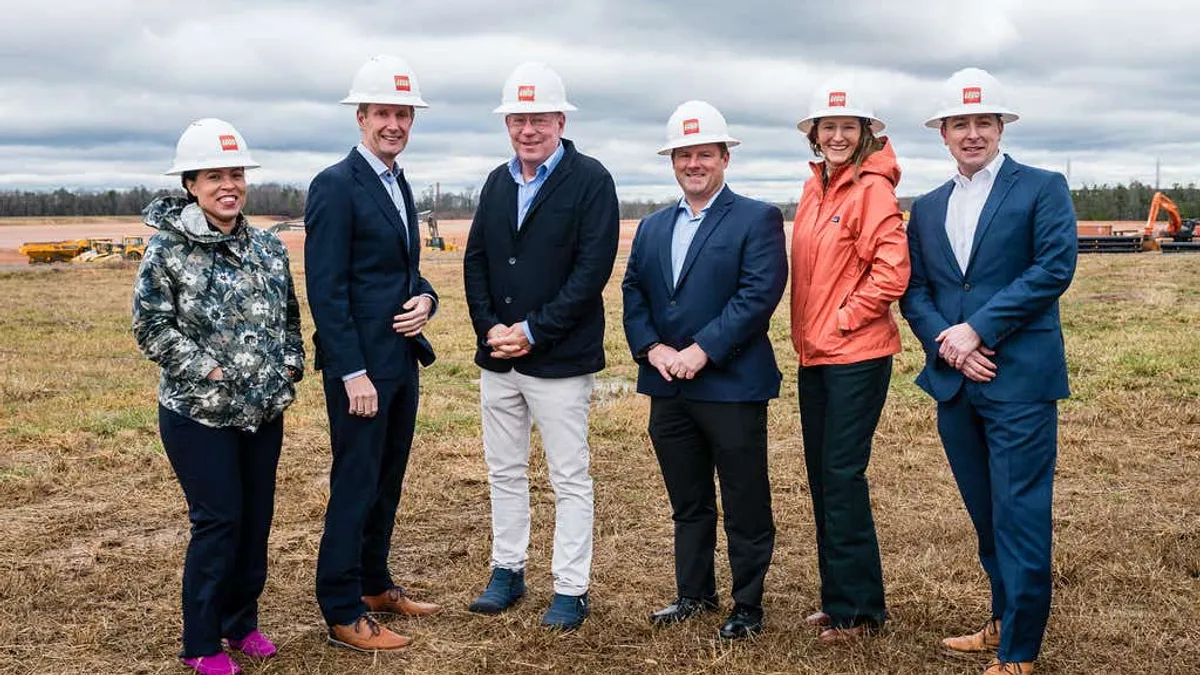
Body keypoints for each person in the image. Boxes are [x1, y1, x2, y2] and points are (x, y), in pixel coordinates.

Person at [899, 67, 1077, 675]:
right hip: (956, 382)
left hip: (1018, 377)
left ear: (1000, 127)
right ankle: (1001, 615)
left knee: (1020, 510)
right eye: (960, 124)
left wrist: (980, 329)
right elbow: (915, 291)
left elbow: (1053, 269)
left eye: (983, 122)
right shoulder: (925, 208)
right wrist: (949, 346)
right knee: (984, 510)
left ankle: (1019, 650)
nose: (972, 133)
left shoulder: (1042, 187)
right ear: (943, 133)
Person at [133, 118, 304, 675]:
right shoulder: (166, 251)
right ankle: (201, 643)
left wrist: (289, 366)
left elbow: (288, 318)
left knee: (255, 520)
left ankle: (241, 624)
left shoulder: (267, 248)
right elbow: (151, 327)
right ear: (190, 184)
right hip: (197, 415)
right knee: (219, 520)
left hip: (262, 411)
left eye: (236, 174)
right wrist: (207, 370)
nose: (228, 185)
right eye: (214, 176)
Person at [462, 61, 619, 631]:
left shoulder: (591, 179)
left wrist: (531, 331)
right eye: (517, 119)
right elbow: (477, 258)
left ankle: (571, 588)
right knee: (504, 470)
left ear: (560, 118)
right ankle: (508, 569)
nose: (527, 129)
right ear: (508, 122)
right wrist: (488, 327)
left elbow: (590, 271)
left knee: (568, 477)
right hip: (497, 358)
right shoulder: (498, 181)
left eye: (538, 118)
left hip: (558, 359)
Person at [622, 101, 787, 640]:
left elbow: (757, 295)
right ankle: (693, 593)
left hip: (732, 385)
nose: (694, 164)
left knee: (743, 499)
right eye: (684, 155)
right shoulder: (651, 227)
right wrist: (653, 350)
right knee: (688, 499)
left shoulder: (756, 218)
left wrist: (701, 351)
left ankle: (747, 605)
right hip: (667, 387)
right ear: (672, 161)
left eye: (704, 154)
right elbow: (634, 293)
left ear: (724, 157)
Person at [305, 54, 441, 653]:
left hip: (400, 362)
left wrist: (427, 300)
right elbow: (326, 287)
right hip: (360, 370)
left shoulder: (396, 181)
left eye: (403, 114)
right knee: (355, 482)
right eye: (383, 112)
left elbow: (401, 272)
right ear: (360, 117)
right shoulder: (336, 185)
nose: (394, 123)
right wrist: (352, 371)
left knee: (387, 479)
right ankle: (340, 607)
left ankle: (373, 583)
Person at [788, 77, 910, 643]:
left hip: (855, 355)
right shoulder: (818, 187)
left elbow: (892, 272)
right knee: (823, 477)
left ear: (865, 133)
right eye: (828, 127)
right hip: (816, 355)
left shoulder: (872, 189)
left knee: (841, 475)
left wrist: (841, 317)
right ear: (814, 134)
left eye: (848, 127)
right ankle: (839, 601)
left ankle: (861, 612)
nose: (837, 135)